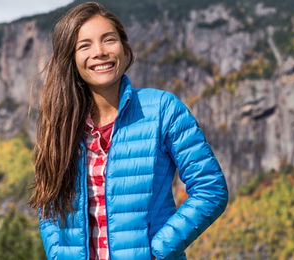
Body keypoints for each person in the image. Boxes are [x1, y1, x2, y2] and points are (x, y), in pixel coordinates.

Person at [28, 2, 228, 259]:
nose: (99, 52)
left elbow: (211, 189)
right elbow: (49, 206)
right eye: (84, 45)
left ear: (123, 46)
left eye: (108, 40)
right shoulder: (59, 123)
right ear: (71, 58)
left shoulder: (162, 109)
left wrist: (157, 250)